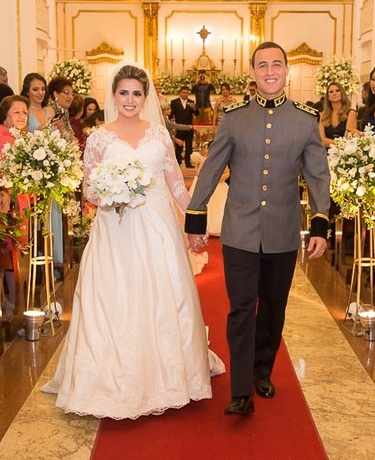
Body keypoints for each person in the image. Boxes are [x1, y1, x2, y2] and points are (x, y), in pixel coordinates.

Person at [42, 62, 223, 419]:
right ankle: (111, 380)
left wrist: (195, 222)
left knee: (162, 296)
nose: (130, 99)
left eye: (136, 93)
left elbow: (174, 184)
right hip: (116, 229)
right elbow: (88, 189)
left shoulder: (158, 135)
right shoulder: (99, 138)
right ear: (114, 96)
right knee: (117, 299)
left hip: (158, 228)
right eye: (123, 93)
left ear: (146, 97)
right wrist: (111, 194)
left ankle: (168, 376)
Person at [186, 41, 331, 416]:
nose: (270, 70)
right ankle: (240, 390)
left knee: (273, 308)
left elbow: (318, 174)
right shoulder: (234, 117)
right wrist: (196, 216)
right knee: (240, 308)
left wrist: (319, 223)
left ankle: (262, 370)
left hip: (282, 231)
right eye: (262, 65)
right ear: (253, 72)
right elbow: (212, 168)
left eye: (276, 64)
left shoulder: (305, 119)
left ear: (286, 71)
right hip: (240, 231)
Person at [319, 82, 357, 148]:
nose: (334, 93)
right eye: (331, 92)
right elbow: (321, 139)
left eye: (337, 91)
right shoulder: (323, 115)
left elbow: (348, 139)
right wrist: (339, 143)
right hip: (325, 152)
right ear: (328, 97)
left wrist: (329, 142)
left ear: (342, 94)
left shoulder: (350, 113)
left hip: (344, 153)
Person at [170, 85, 199, 167]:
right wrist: (172, 127)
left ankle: (188, 162)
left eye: (187, 93)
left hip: (189, 128)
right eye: (183, 92)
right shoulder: (174, 102)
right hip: (179, 127)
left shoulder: (191, 102)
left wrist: (194, 108)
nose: (185, 94)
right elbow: (171, 115)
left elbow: (197, 113)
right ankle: (177, 161)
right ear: (180, 93)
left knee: (189, 146)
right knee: (179, 146)